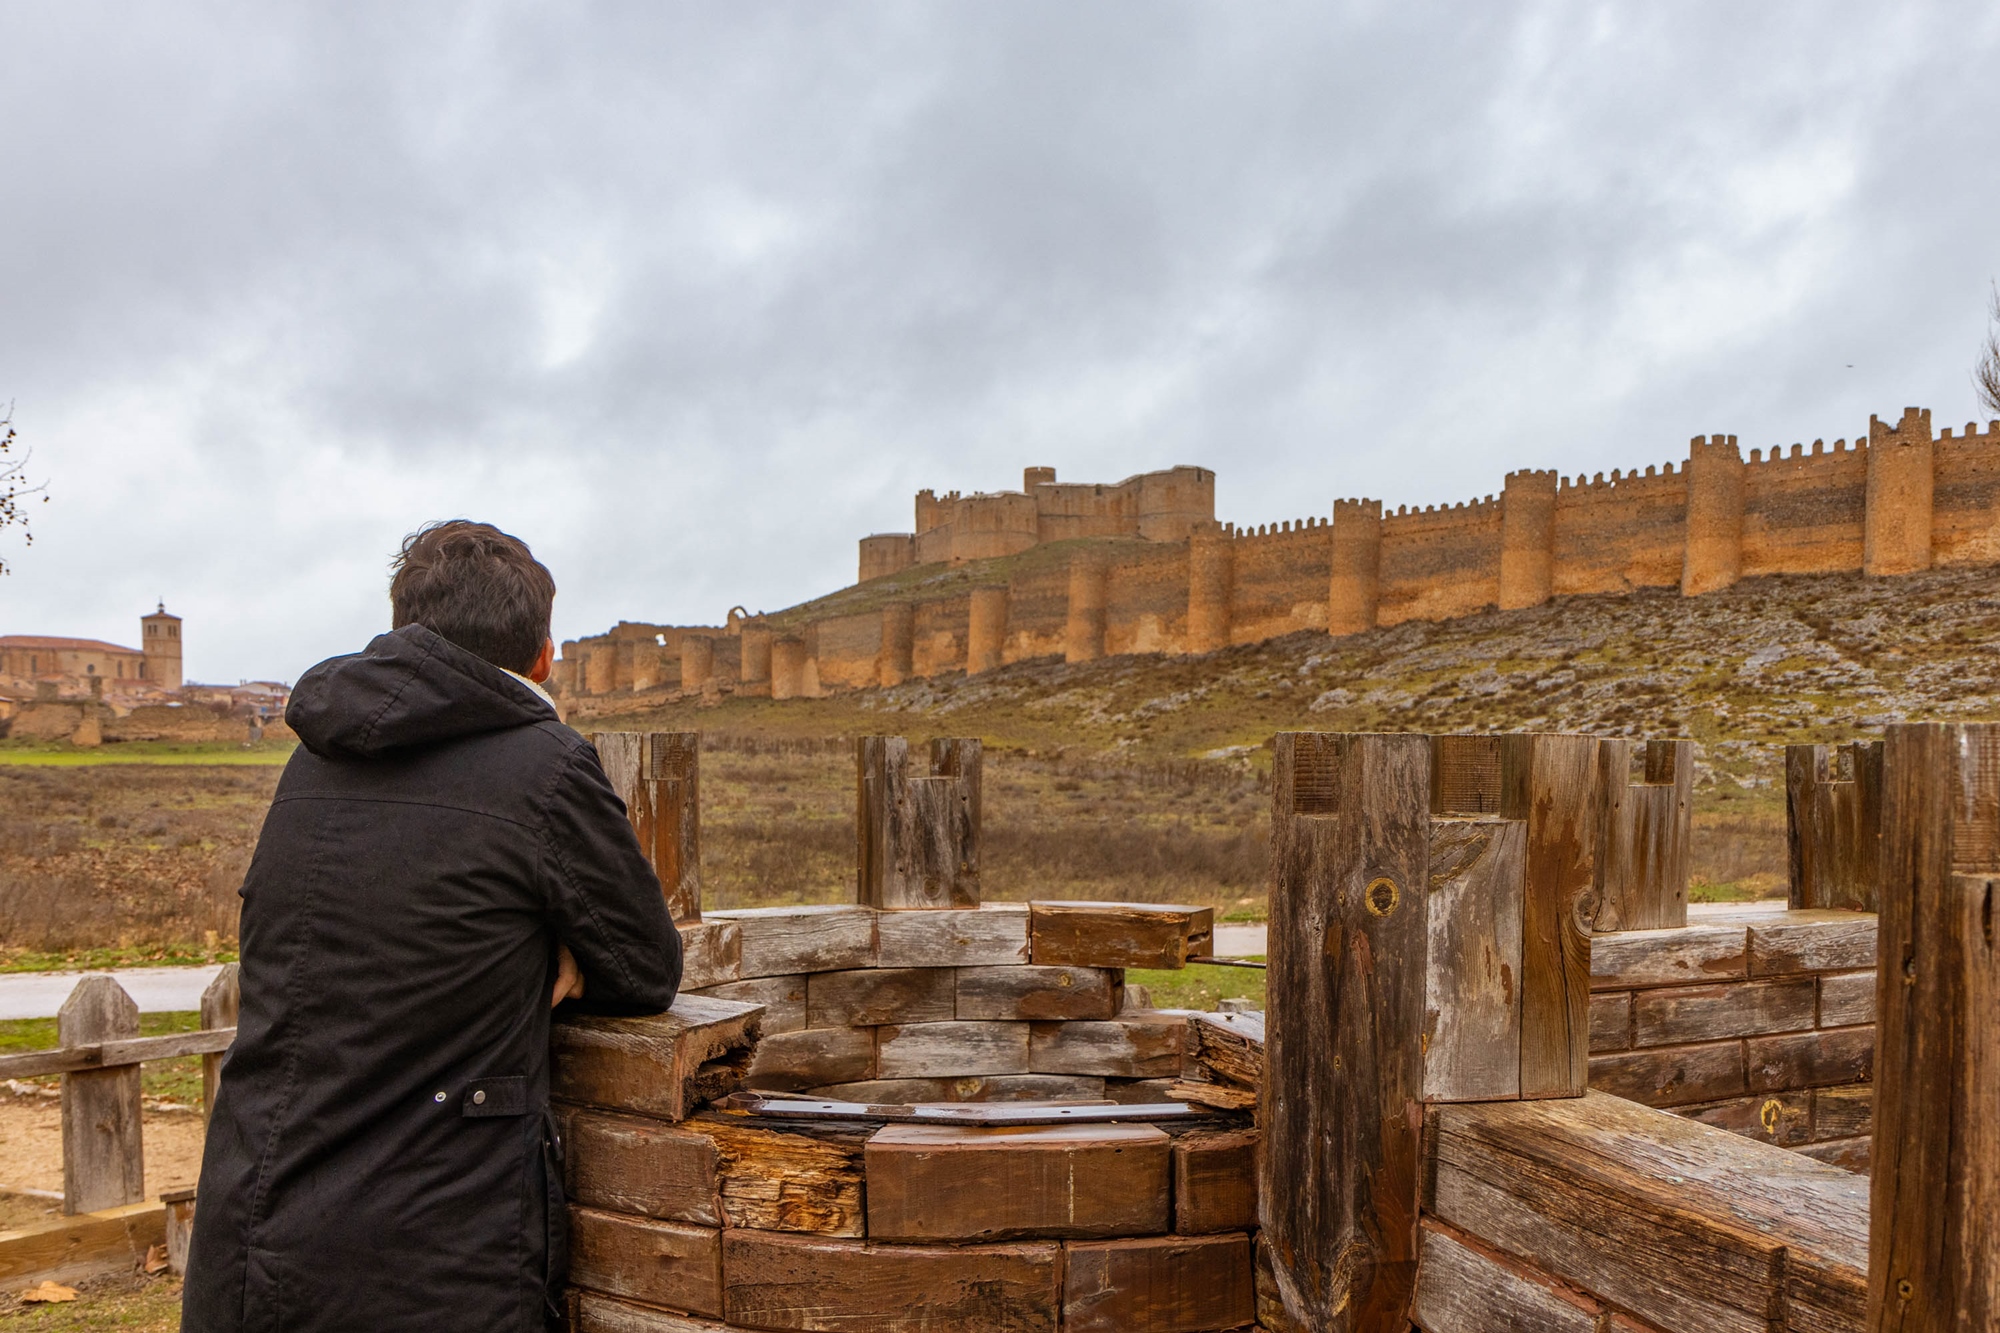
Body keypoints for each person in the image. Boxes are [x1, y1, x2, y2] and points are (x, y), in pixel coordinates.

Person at [182, 521, 682, 1333]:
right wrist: (567, 952)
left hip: (253, 1232)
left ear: (404, 629)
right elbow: (648, 967)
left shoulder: (315, 757)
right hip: (435, 1259)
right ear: (543, 655)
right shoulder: (546, 766)